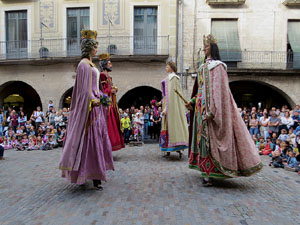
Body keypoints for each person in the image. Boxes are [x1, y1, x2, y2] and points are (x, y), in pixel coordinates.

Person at [186, 34, 262, 186]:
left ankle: (212, 173)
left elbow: (218, 92)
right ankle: (204, 170)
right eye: (204, 46)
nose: (204, 49)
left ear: (212, 48)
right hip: (200, 110)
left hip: (210, 112)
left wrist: (213, 111)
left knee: (210, 140)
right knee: (202, 141)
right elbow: (200, 90)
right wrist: (193, 102)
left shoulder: (218, 67)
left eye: (206, 46)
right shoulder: (202, 67)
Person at [59, 30, 114, 190]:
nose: (97, 49)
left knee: (98, 140)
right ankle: (86, 174)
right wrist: (94, 100)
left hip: (96, 109)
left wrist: (102, 98)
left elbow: (94, 87)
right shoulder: (83, 65)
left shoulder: (92, 65)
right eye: (95, 46)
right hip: (89, 110)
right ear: (89, 47)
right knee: (89, 142)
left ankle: (96, 174)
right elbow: (84, 90)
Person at [159, 61, 189, 158]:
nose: (165, 68)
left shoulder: (174, 78)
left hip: (172, 107)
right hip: (166, 105)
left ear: (172, 67)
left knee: (173, 125)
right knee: (167, 126)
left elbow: (172, 96)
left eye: (167, 67)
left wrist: (167, 108)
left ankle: (177, 148)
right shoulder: (168, 78)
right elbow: (166, 95)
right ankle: (167, 149)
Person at [99, 53, 125, 151]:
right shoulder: (102, 75)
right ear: (105, 64)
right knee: (108, 127)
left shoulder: (108, 76)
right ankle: (105, 148)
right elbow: (101, 91)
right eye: (109, 63)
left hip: (112, 105)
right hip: (107, 106)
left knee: (113, 127)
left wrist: (113, 89)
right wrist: (111, 91)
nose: (111, 65)